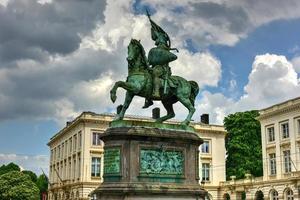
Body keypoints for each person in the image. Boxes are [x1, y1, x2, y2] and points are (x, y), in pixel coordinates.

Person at [143, 11, 178, 109]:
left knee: (155, 75)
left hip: (162, 69)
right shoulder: (154, 50)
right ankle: (148, 99)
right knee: (145, 77)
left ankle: (157, 92)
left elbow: (172, 57)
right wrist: (152, 26)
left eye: (158, 39)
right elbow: (154, 35)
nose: (156, 40)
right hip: (154, 67)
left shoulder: (163, 48)